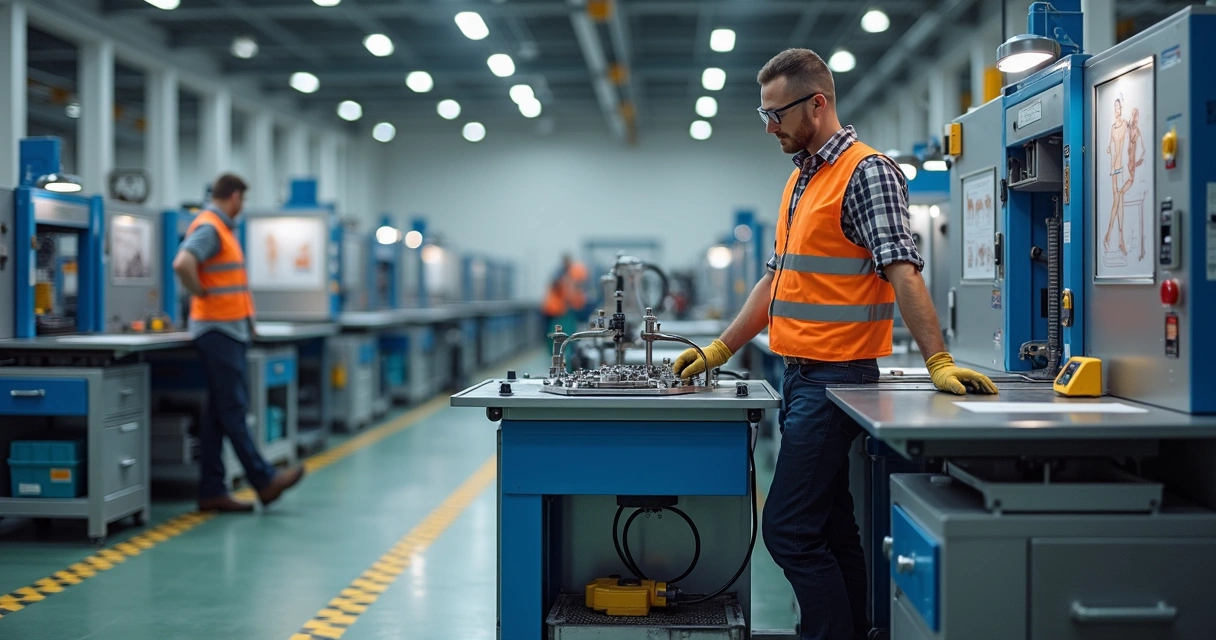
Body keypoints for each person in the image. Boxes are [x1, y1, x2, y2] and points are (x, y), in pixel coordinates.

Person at [671, 49, 998, 640]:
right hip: (799, 377)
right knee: (831, 527)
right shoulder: (802, 178)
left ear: (816, 104)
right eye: (763, 114)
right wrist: (719, 350)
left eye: (776, 114)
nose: (769, 126)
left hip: (836, 378)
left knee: (789, 530)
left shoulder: (866, 172)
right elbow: (777, 280)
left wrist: (938, 360)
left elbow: (903, 270)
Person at [173, 174, 305, 512]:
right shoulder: (211, 228)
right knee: (233, 409)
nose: (242, 208)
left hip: (229, 330)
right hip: (218, 331)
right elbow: (183, 263)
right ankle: (263, 480)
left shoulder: (221, 229)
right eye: (242, 201)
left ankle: (211, 491)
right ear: (233, 197)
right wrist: (201, 293)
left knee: (217, 415)